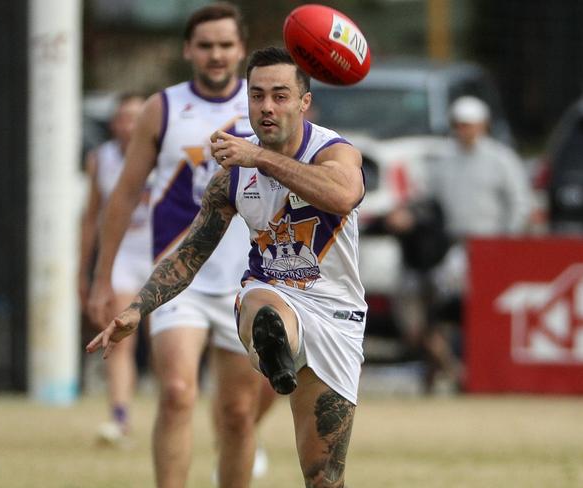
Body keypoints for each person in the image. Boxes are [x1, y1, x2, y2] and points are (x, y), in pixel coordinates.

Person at [88, 46, 368, 488]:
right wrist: (137, 309)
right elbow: (190, 253)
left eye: (279, 95)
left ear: (304, 102)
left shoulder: (333, 151)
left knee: (323, 477)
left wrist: (260, 157)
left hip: (337, 313)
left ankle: (283, 351)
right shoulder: (232, 175)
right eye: (256, 96)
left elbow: (342, 196)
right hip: (272, 290)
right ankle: (278, 348)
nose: (267, 107)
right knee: (264, 303)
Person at [86, 3, 273, 486]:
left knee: (236, 412)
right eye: (206, 45)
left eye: (226, 45)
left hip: (247, 279)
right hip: (178, 278)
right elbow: (125, 193)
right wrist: (102, 277)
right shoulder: (162, 108)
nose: (216, 54)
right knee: (176, 392)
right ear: (188, 49)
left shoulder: (261, 109)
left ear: (241, 49)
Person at [385, 95, 531, 392]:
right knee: (433, 305)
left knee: (483, 312)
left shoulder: (501, 159)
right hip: (451, 247)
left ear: (482, 125)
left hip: (491, 245)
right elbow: (425, 199)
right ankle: (445, 367)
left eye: (468, 125)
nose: (462, 130)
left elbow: (520, 204)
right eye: (458, 125)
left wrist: (506, 242)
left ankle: (474, 371)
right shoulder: (443, 160)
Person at [78, 93, 148, 444]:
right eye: (124, 118)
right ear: (114, 124)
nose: (130, 125)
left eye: (138, 117)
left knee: (170, 344)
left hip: (162, 252)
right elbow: (91, 218)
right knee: (119, 335)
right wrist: (85, 273)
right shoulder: (100, 159)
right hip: (121, 254)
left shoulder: (166, 154)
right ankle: (120, 417)